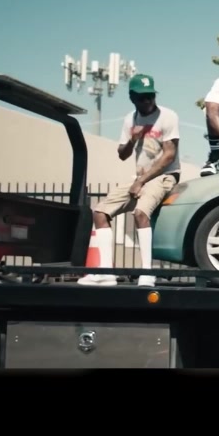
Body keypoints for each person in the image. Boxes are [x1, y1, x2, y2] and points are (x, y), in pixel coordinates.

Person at [78, 73, 181, 288]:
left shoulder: (167, 116)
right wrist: (133, 139)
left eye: (151, 96)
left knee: (140, 213)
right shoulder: (130, 120)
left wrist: (141, 182)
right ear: (132, 97)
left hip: (164, 176)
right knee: (100, 212)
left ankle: (147, 272)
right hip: (141, 178)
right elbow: (122, 154)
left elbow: (169, 155)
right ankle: (106, 272)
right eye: (143, 97)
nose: (148, 100)